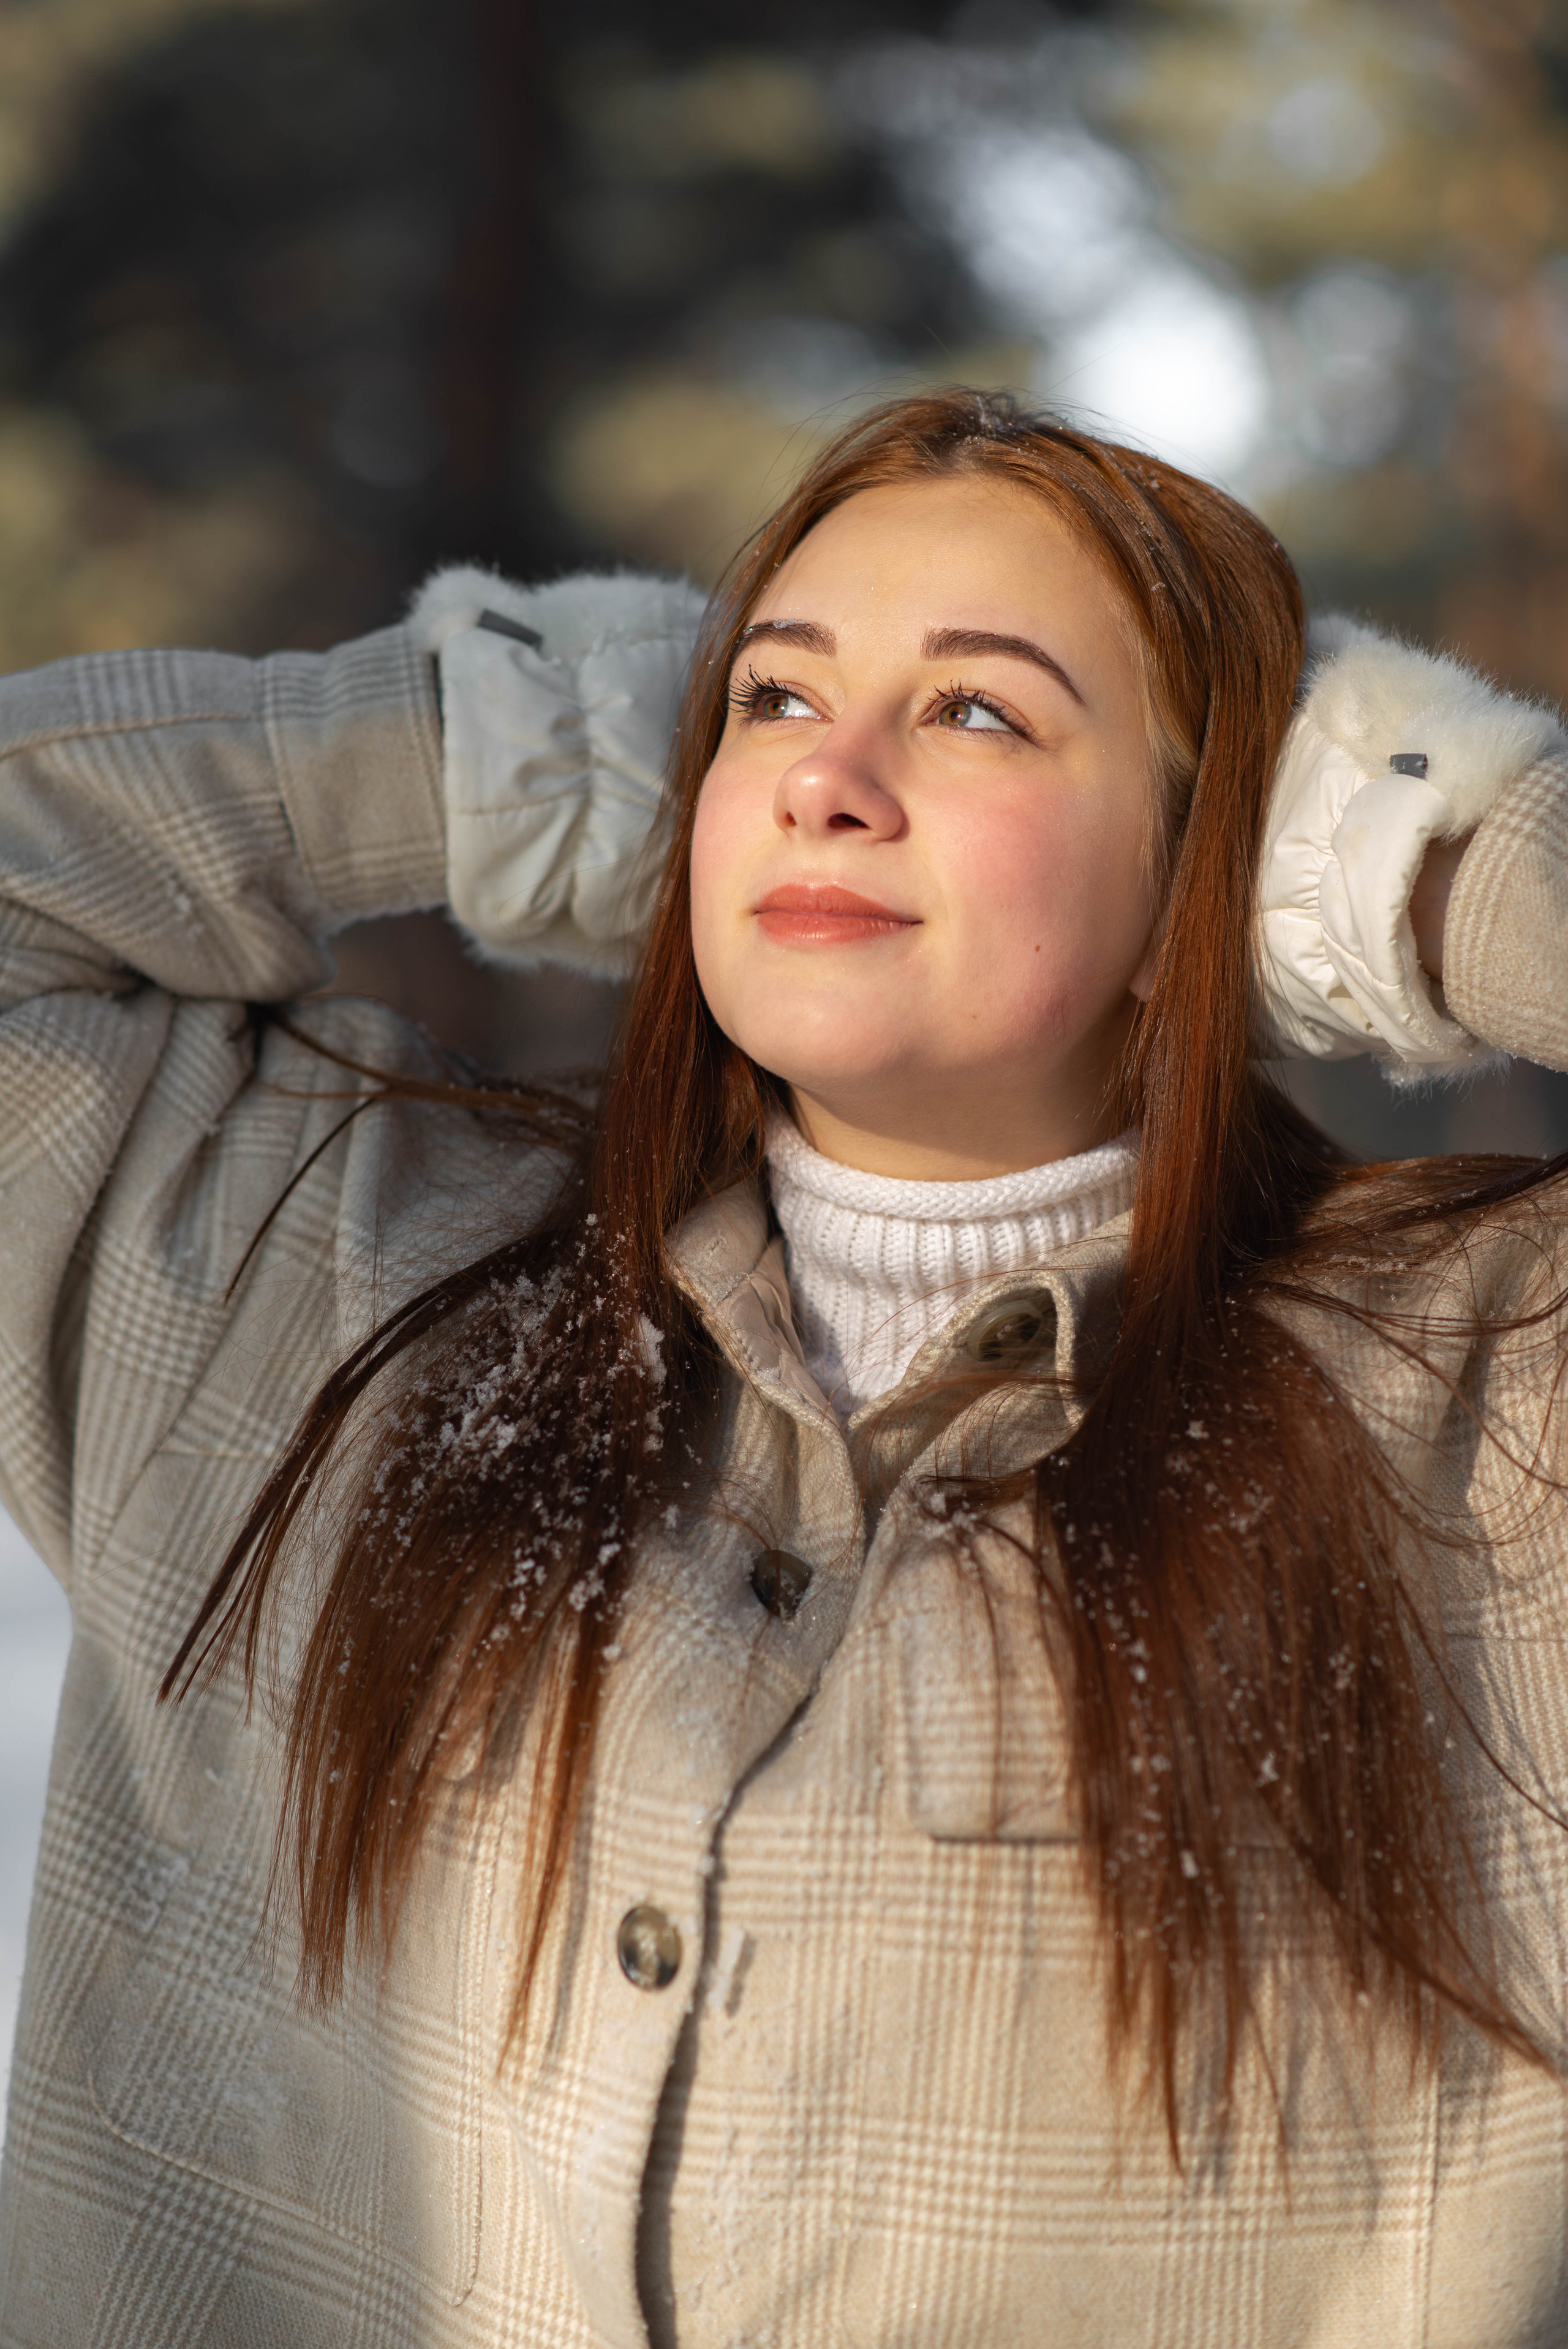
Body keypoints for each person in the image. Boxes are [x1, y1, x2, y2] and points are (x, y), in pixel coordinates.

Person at [0, 387, 1565, 2348]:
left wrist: (1439, 848)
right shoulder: (301, 1260)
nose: (830, 783)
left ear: (1215, 882)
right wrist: (497, 736)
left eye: (979, 711)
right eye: (770, 700)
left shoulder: (1488, 1423)